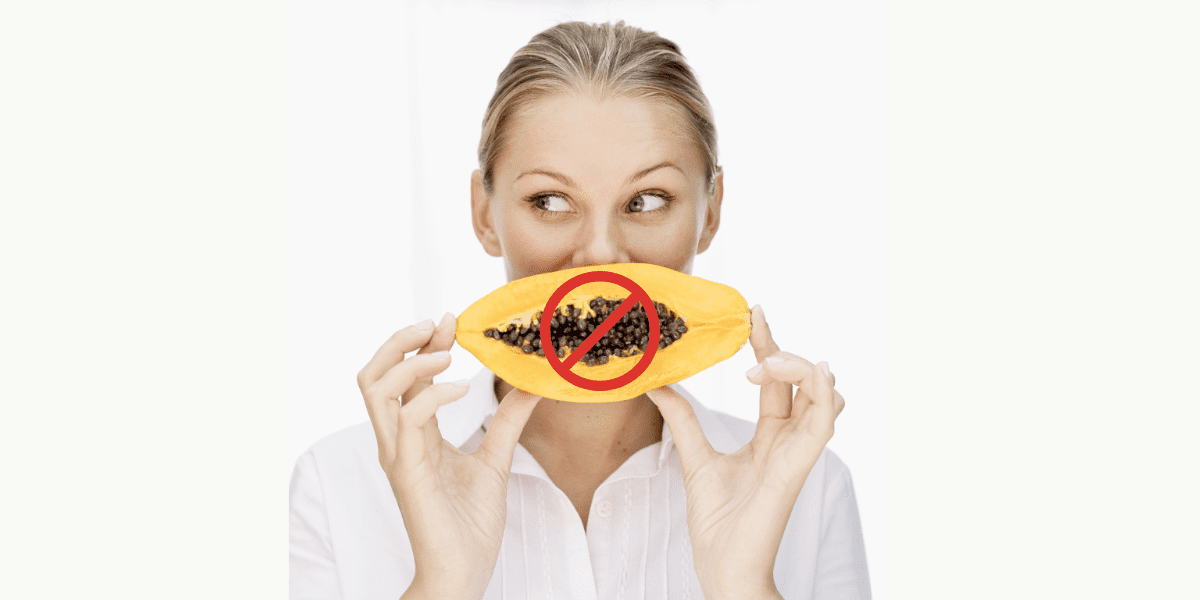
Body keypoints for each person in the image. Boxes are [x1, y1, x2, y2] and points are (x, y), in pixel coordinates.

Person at [290, 20, 871, 600]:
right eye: (550, 201)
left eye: (646, 202)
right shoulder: (339, 485)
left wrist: (741, 583)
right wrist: (446, 582)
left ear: (710, 213)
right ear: (485, 214)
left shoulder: (805, 487)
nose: (600, 256)